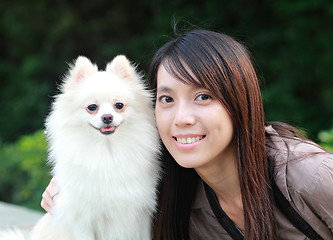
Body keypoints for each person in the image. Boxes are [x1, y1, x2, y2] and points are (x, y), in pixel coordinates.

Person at [41, 29, 333, 240]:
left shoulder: (311, 176)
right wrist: (74, 182)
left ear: (239, 100)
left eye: (203, 96)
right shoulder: (174, 190)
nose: (181, 119)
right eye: (167, 100)